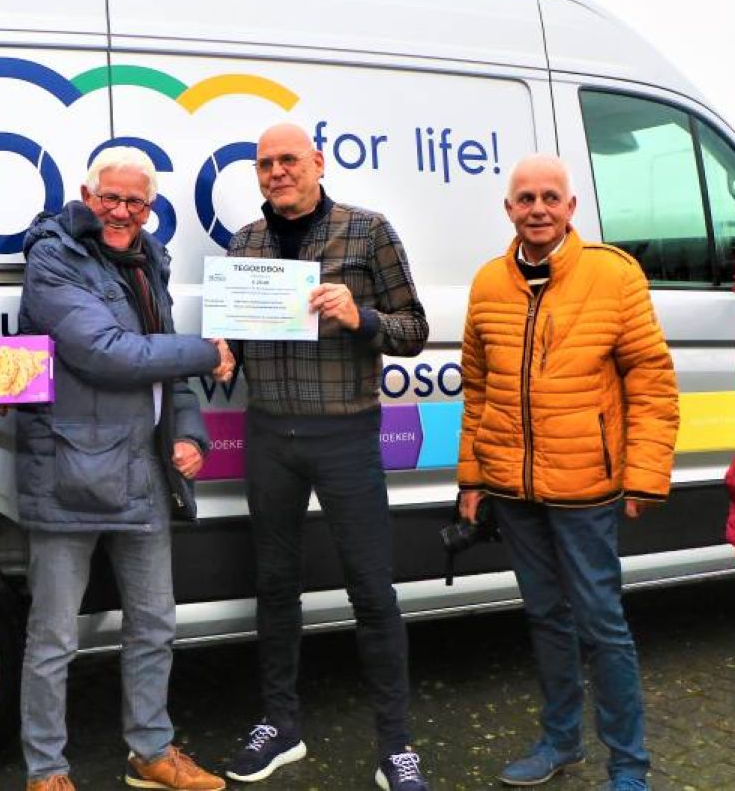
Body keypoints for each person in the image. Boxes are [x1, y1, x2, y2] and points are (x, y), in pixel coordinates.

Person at [457, 154, 679, 791]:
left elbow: (652, 379)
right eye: (525, 198)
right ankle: (560, 742)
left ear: (571, 207)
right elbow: (479, 387)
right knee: (545, 619)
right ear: (509, 210)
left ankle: (629, 767)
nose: (538, 209)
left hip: (587, 489)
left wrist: (644, 473)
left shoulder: (613, 277)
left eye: (550, 197)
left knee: (602, 625)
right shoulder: (486, 283)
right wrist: (472, 478)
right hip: (514, 489)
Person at [16, 146, 233, 791]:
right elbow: (105, 353)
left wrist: (188, 432)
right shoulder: (54, 258)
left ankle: (151, 752)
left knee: (154, 625)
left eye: (135, 202)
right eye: (109, 198)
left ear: (150, 206)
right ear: (87, 194)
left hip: (142, 471)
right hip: (70, 469)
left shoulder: (149, 260)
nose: (121, 212)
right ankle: (46, 770)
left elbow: (163, 369)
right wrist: (204, 352)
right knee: (54, 636)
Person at [224, 123, 430, 791]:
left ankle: (395, 746)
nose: (276, 171)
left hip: (345, 436)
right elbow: (236, 336)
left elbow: (416, 332)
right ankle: (281, 727)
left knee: (371, 591)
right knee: (276, 587)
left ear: (317, 162)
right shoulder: (245, 242)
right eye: (265, 163)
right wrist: (222, 350)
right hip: (269, 435)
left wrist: (361, 317)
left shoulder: (368, 231)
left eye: (288, 160)